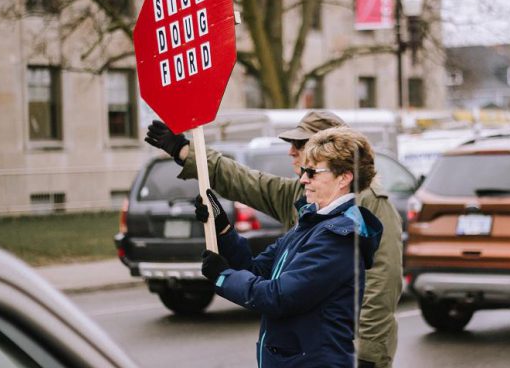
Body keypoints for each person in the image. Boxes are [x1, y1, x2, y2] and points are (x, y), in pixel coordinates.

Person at [145, 111, 403, 368]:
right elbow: (246, 185)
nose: (292, 153)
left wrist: (369, 354)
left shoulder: (347, 225)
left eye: (301, 146)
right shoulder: (308, 209)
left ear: (340, 166)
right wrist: (223, 230)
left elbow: (382, 283)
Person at [197, 127, 383, 367]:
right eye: (304, 170)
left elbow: (278, 297)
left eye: (312, 172)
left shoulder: (338, 238)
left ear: (344, 178)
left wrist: (223, 277)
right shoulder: (312, 223)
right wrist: (222, 229)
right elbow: (257, 270)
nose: (303, 178)